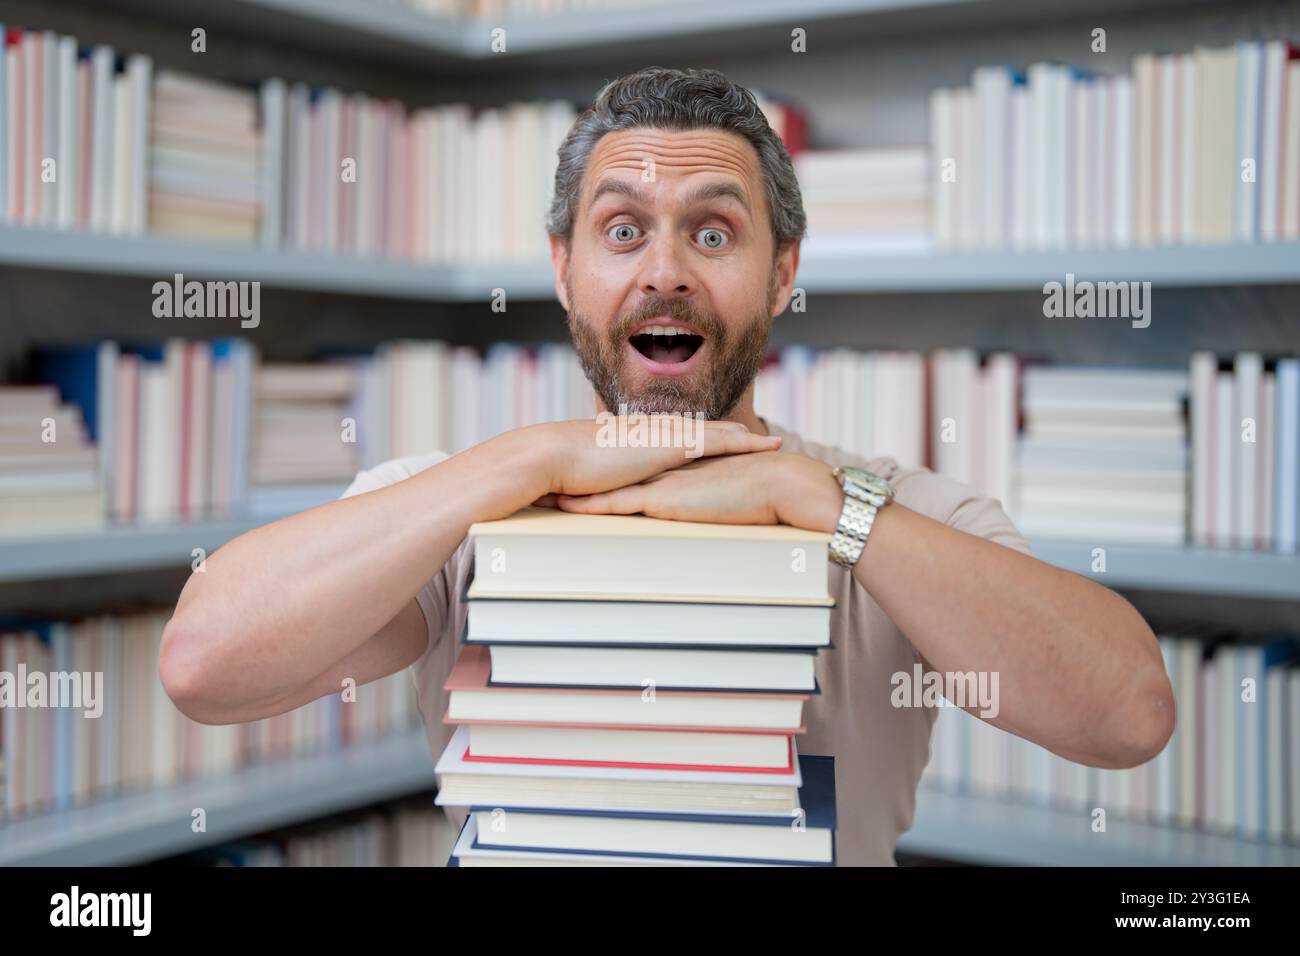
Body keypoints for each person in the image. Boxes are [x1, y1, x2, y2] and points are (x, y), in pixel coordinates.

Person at [161, 66, 1174, 866]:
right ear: (563, 269)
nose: (664, 270)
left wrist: (812, 501)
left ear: (782, 273)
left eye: (714, 230)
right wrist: (532, 455)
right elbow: (204, 664)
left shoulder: (899, 506)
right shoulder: (453, 507)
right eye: (621, 230)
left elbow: (1126, 713)